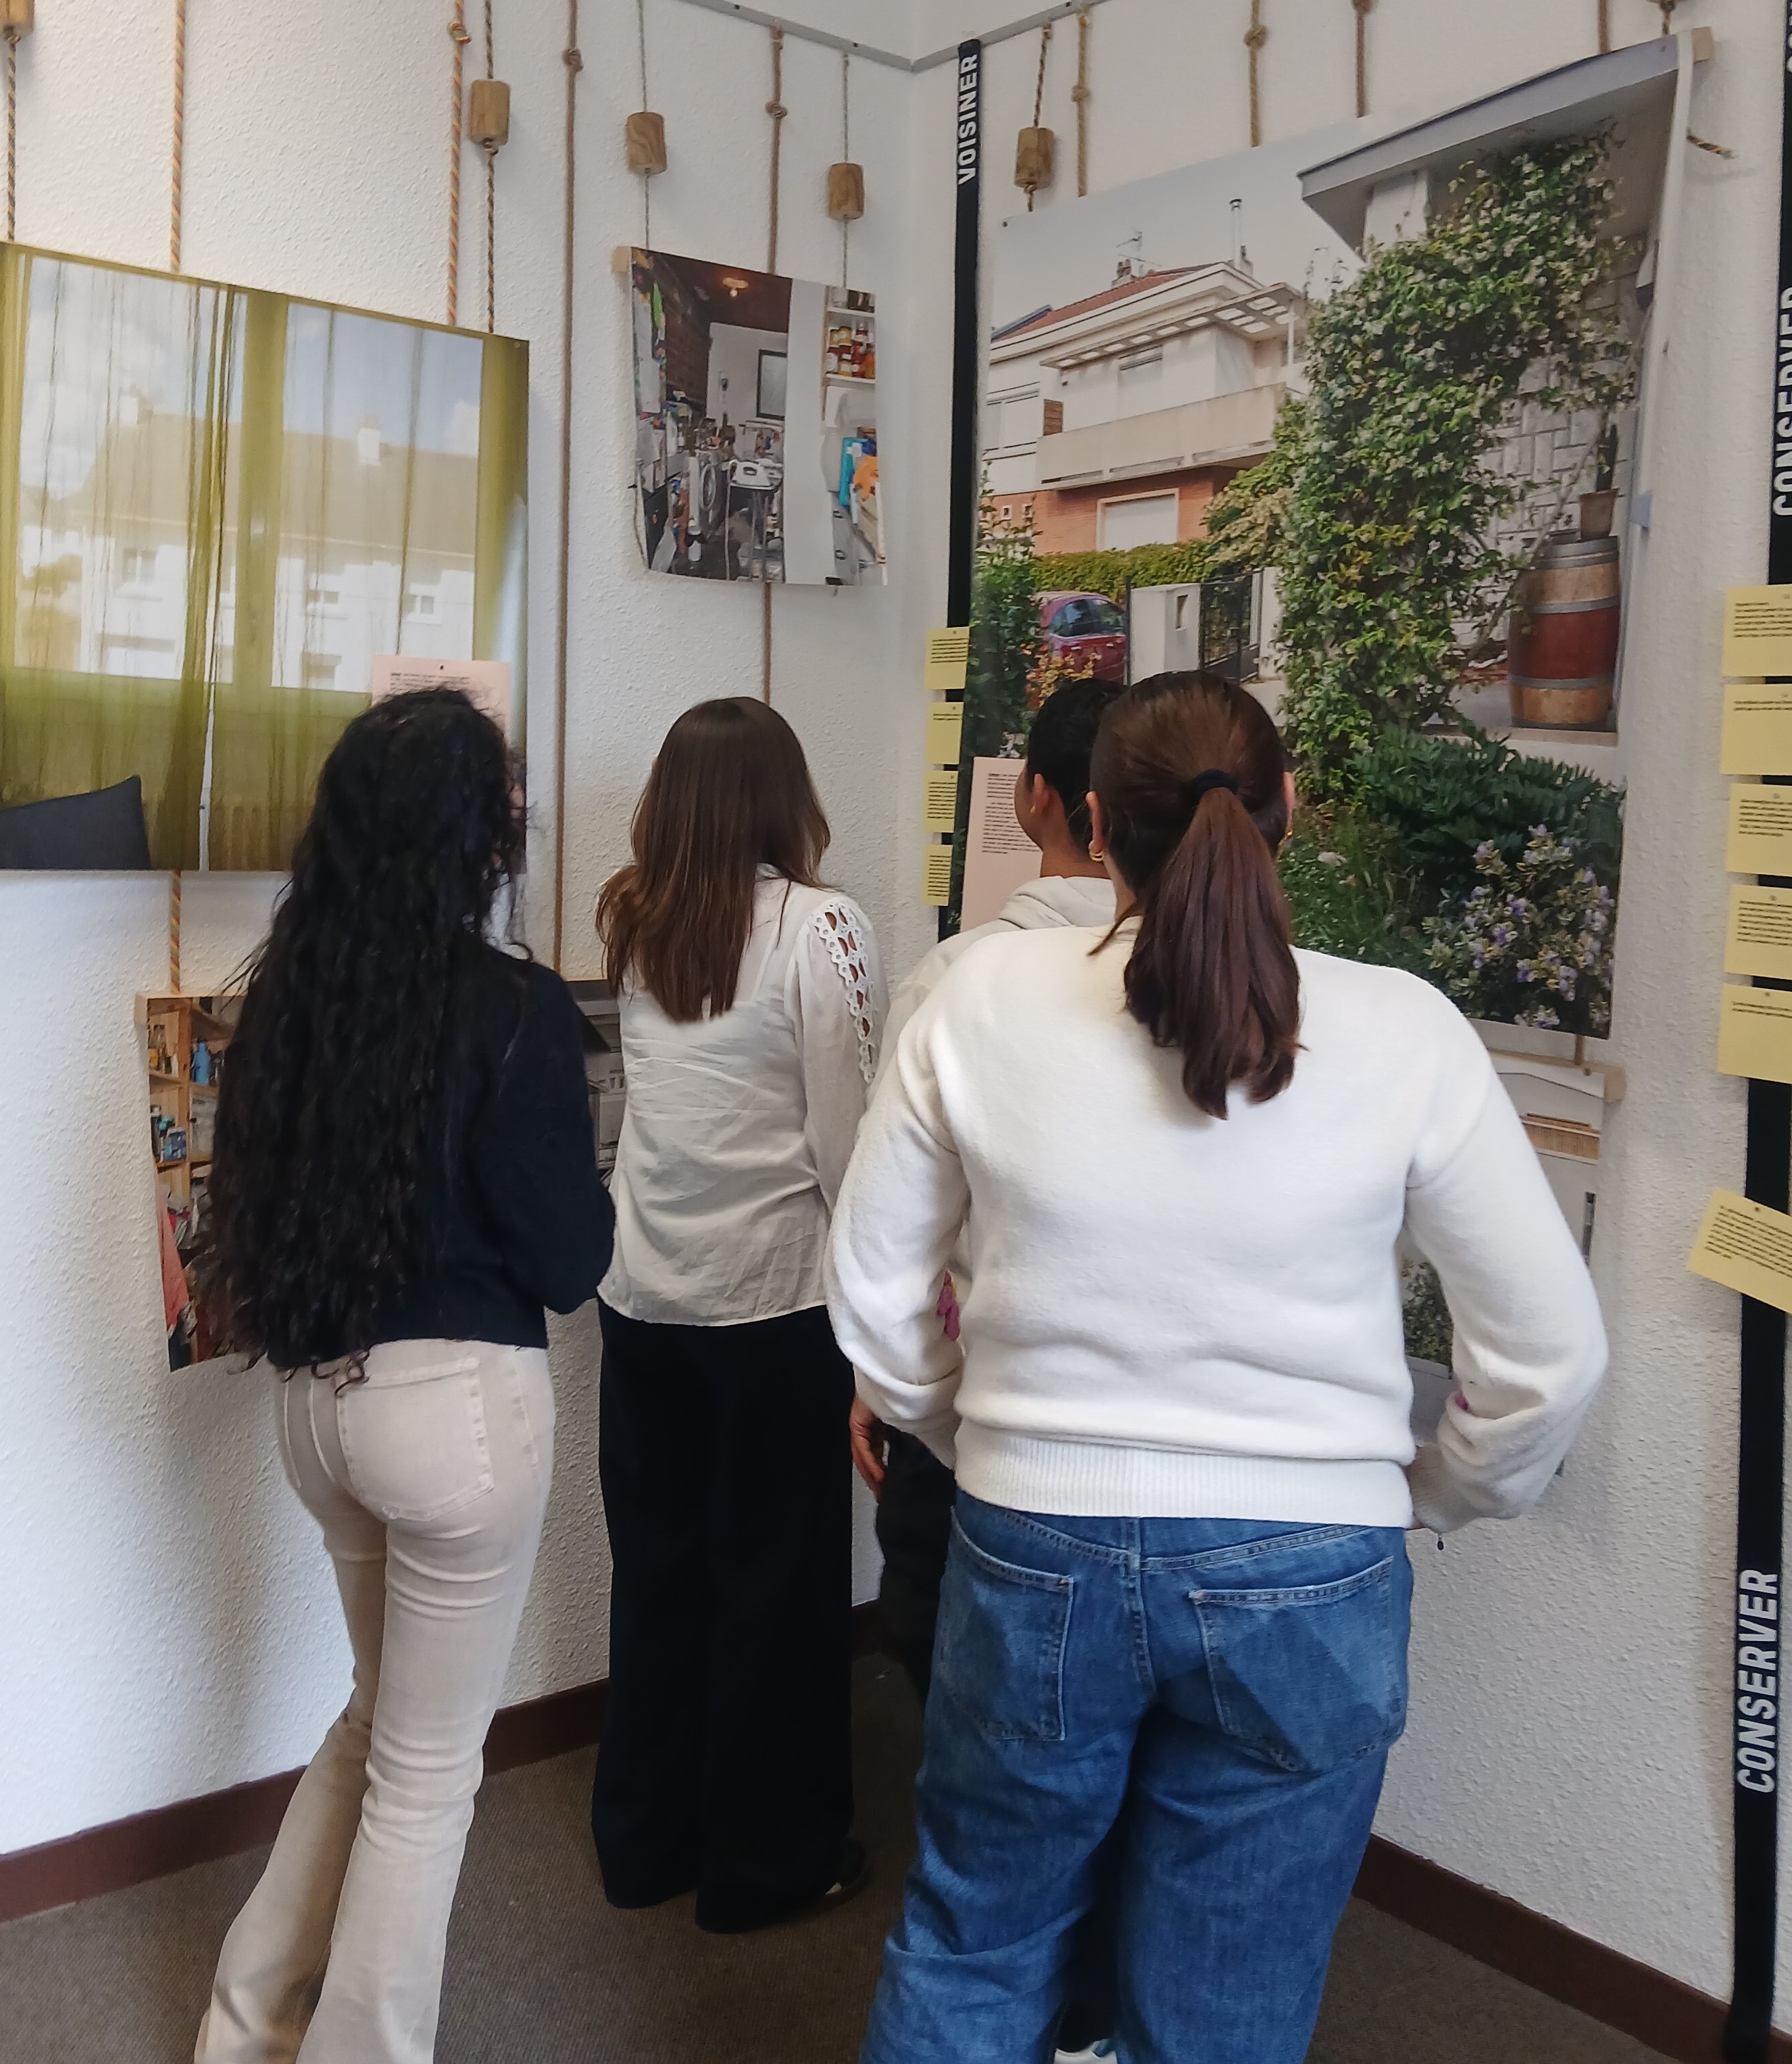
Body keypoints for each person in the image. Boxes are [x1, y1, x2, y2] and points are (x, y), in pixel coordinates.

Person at [827, 672, 1607, 2064]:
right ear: (1288, 809)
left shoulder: (978, 994)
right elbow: (1548, 1356)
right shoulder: (1407, 1029)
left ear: (1090, 823)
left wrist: (965, 1431)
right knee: (1225, 2004)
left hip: (1036, 1543)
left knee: (975, 1945)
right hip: (1314, 1567)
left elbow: (875, 1287)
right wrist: (1427, 1489)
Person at [197, 688, 614, 2064]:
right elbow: (569, 1260)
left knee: (379, 1720)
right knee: (427, 1779)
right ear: (481, 838)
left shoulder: (285, 1002)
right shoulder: (513, 1009)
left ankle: (245, 2024)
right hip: (454, 1425)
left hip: (315, 1416)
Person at [592, 695, 887, 1934]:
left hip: (643, 1298)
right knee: (775, 1590)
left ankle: (645, 1842)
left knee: (658, 1576)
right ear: (784, 798)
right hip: (774, 1306)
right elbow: (851, 1146)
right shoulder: (823, 928)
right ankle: (765, 1865)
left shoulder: (636, 918)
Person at [853, 675, 1123, 1708]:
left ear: (1035, 796)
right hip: (1155, 1443)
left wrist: (900, 1396)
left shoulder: (959, 977)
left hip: (981, 1406)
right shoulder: (1224, 978)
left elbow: (891, 1225)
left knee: (968, 1697)